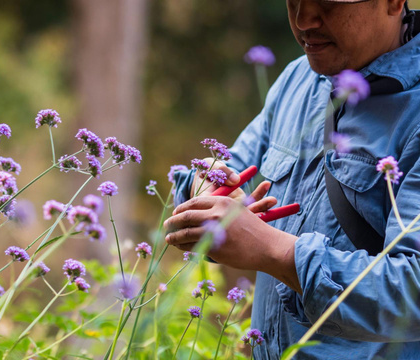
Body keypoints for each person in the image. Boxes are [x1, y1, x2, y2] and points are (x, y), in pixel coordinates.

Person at [164, 0, 420, 359]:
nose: (304, 20)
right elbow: (229, 167)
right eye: (293, 1)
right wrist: (206, 188)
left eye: (327, 3)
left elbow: (413, 290)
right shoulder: (299, 78)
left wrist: (275, 252)